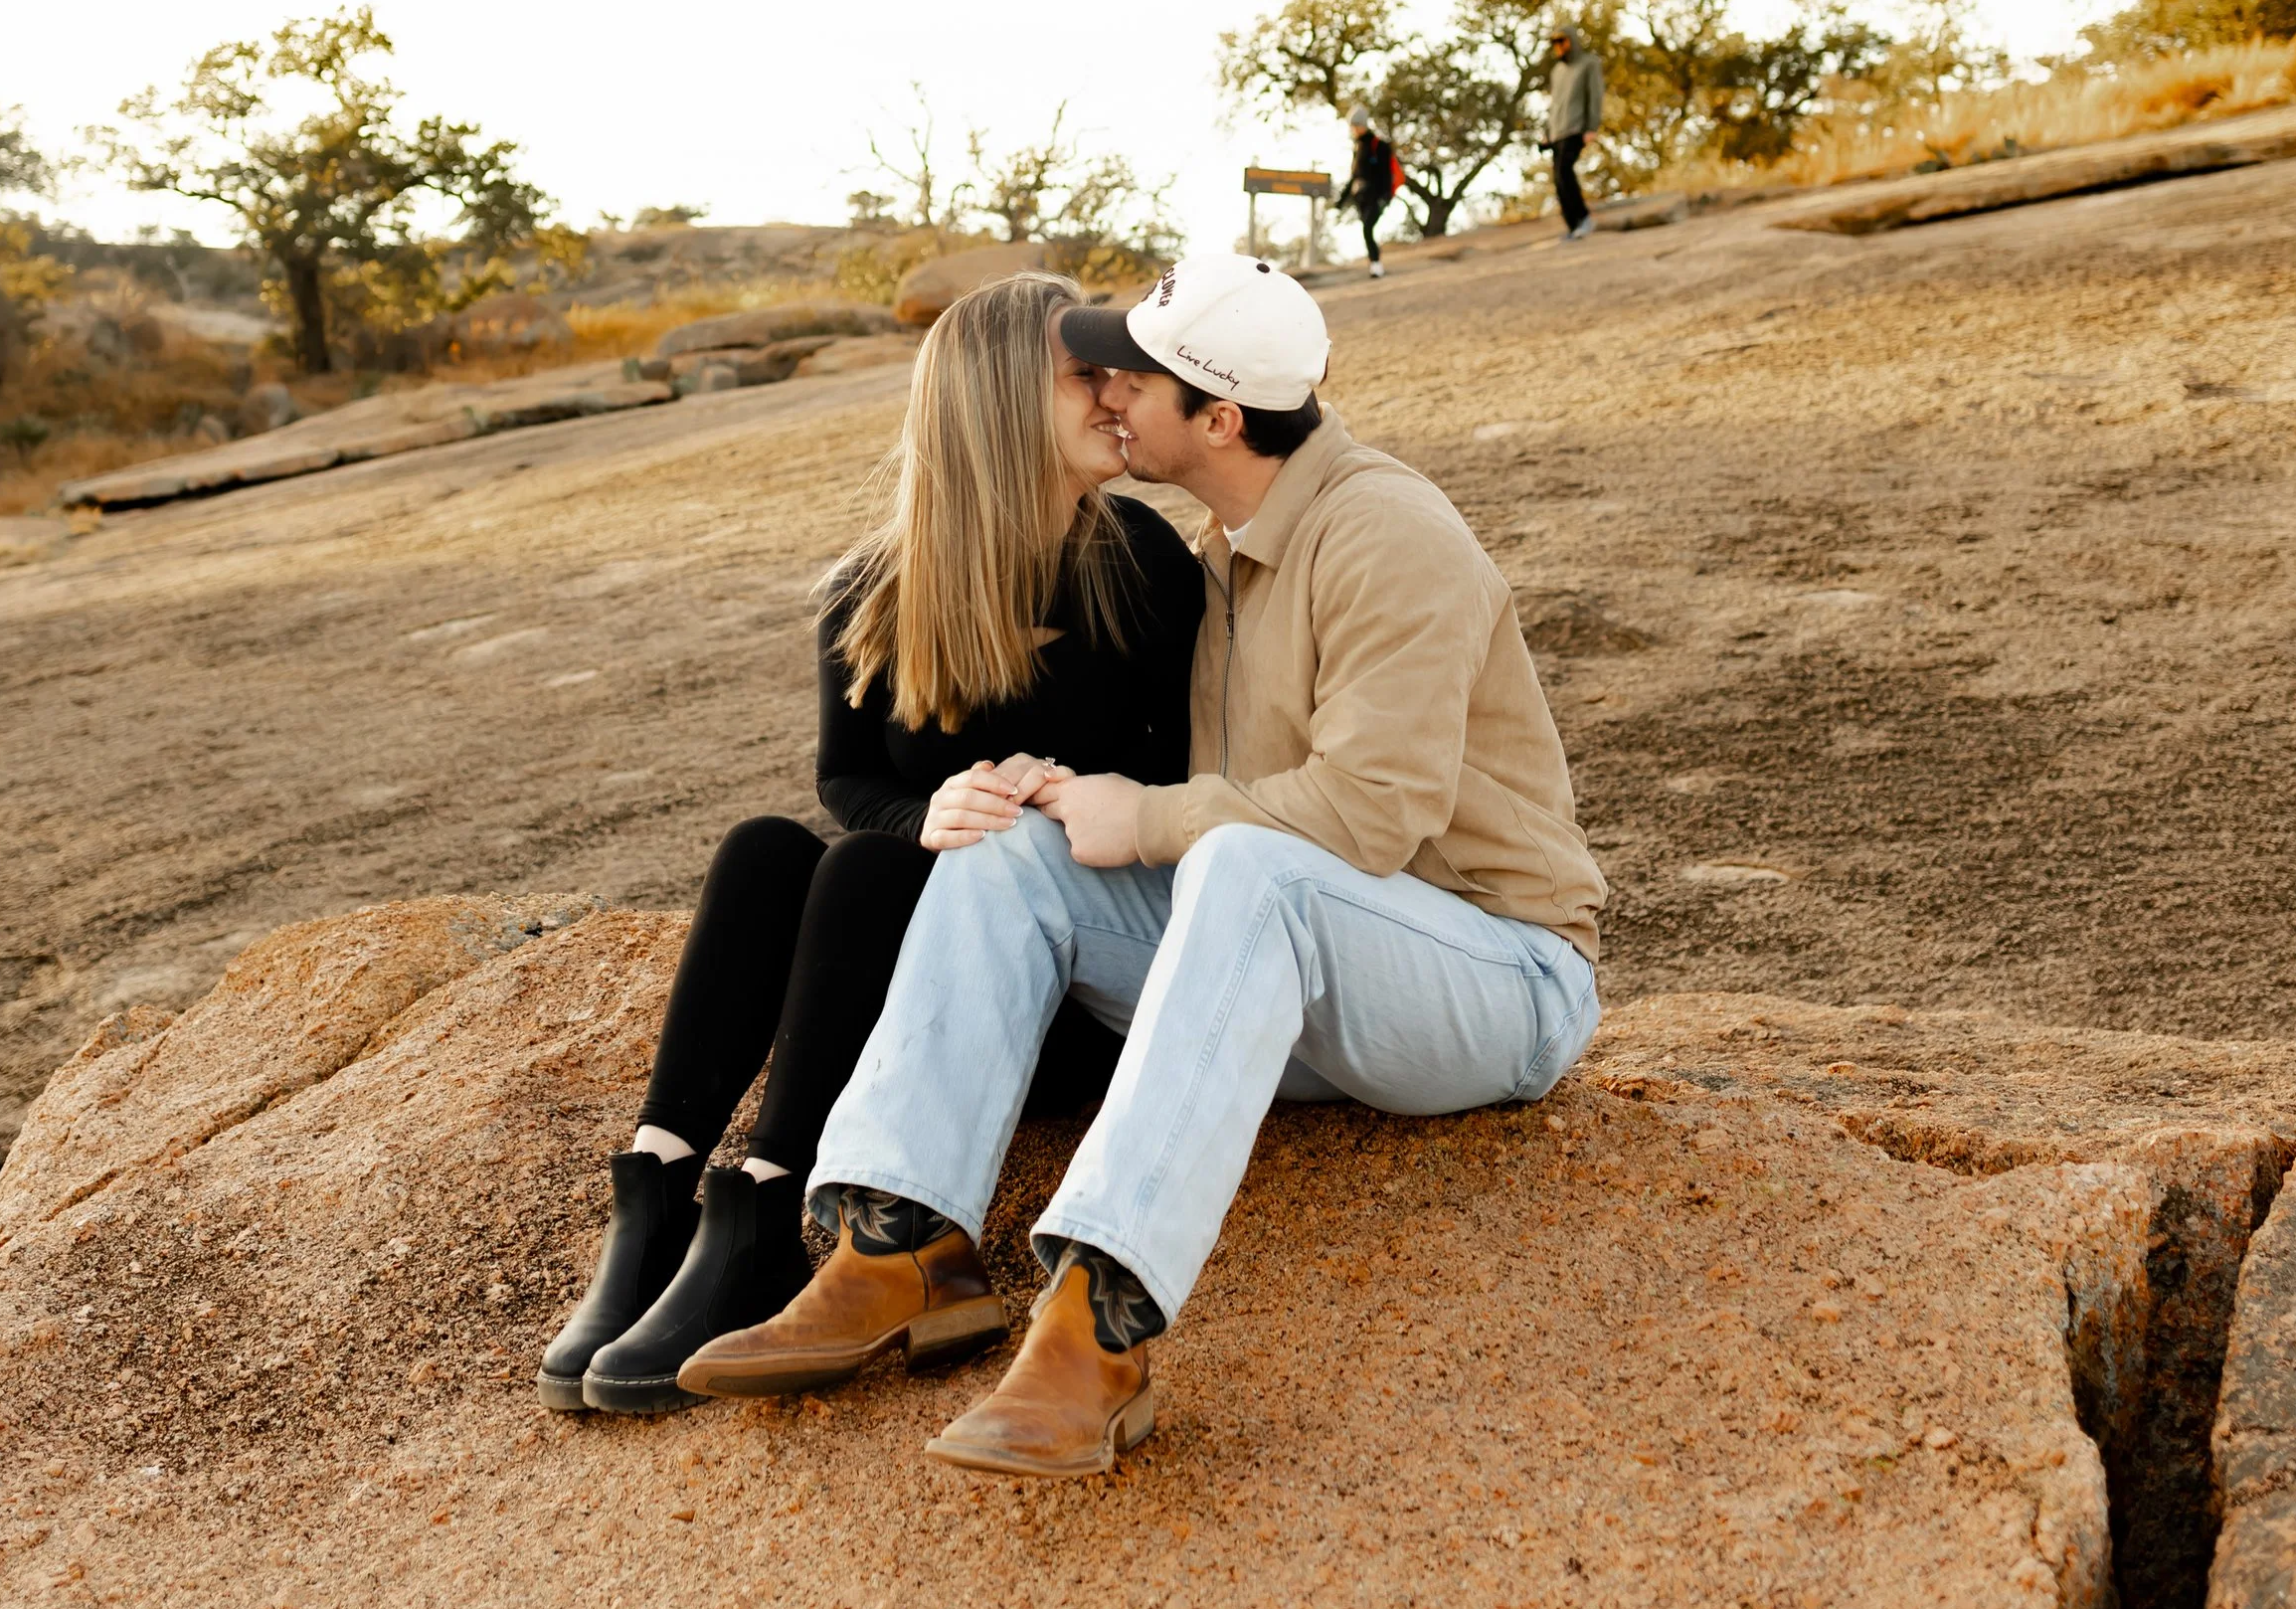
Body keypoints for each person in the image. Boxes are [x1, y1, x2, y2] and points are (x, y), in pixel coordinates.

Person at [674, 257, 1604, 1478]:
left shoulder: (1386, 533)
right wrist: (1046, 794)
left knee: (1244, 867)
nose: (1106, 392)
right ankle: (898, 1244)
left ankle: (1095, 1324)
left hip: (1493, 982)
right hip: (1307, 992)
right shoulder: (1224, 549)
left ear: (1216, 419)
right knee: (1012, 846)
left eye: (1134, 377)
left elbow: (1372, 817)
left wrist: (1149, 817)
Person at [537, 272, 1203, 1416]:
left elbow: (1191, 776)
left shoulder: (1139, 560)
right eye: (1084, 375)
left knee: (864, 868)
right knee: (764, 848)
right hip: (914, 986)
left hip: (1043, 999)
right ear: (999, 403)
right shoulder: (872, 586)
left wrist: (1056, 797)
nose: (1116, 395)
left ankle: (777, 1190)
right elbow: (844, 780)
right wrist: (927, 812)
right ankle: (662, 1195)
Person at [1541, 28, 1604, 239]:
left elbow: (1595, 95)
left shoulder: (1589, 63)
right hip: (1556, 131)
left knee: (1564, 172)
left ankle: (1584, 218)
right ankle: (1573, 226)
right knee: (1558, 180)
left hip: (1576, 128)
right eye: (1555, 42)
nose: (1558, 46)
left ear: (1572, 41)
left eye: (1562, 40)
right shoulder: (1557, 71)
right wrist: (1547, 132)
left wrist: (1591, 127)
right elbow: (1554, 104)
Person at [1335, 104, 1400, 273]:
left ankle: (1376, 265)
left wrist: (1385, 197)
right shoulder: (1358, 147)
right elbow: (1354, 177)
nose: (1352, 129)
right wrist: (1341, 201)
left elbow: (1387, 174)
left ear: (1361, 124)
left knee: (1367, 229)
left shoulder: (1379, 146)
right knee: (1367, 230)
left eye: (1354, 125)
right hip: (1361, 198)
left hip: (1376, 197)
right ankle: (1375, 263)